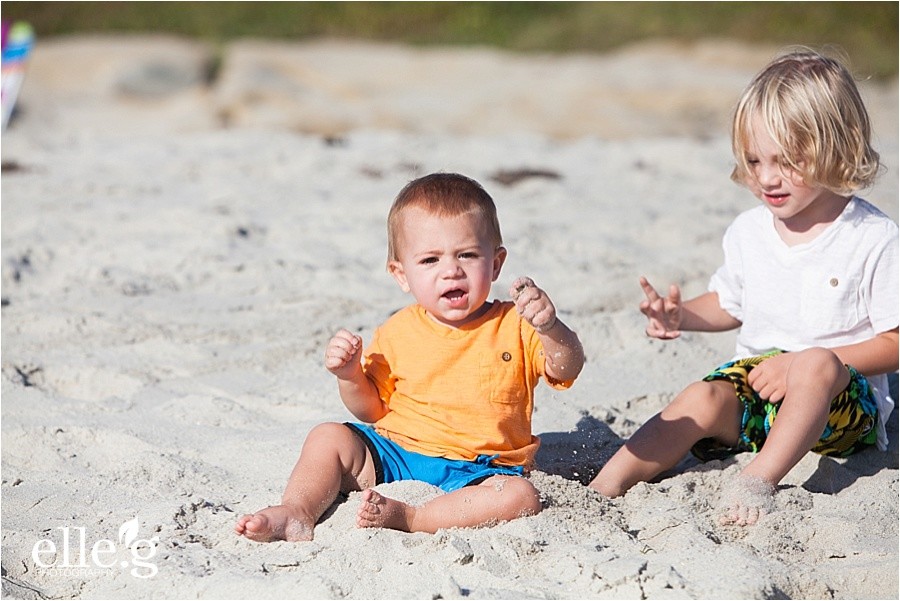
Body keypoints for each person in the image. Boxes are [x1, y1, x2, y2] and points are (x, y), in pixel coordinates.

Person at [588, 49, 899, 526]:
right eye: (754, 160)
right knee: (700, 396)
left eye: (788, 161)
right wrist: (681, 316)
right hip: (758, 389)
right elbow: (730, 304)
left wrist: (799, 364)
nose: (767, 178)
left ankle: (757, 479)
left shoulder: (871, 237)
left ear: (837, 145)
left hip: (839, 402)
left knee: (817, 363)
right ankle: (603, 487)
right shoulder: (749, 231)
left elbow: (893, 342)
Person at [236, 172, 585, 541]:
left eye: (467, 255)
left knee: (521, 497)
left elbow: (567, 366)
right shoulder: (397, 331)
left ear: (496, 264)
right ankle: (297, 510)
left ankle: (413, 517)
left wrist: (551, 328)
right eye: (430, 260)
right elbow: (371, 411)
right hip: (397, 454)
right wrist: (350, 376)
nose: (451, 270)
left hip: (480, 471)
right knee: (329, 436)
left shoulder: (516, 324)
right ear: (401, 274)